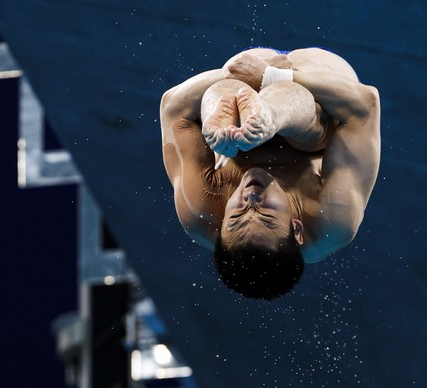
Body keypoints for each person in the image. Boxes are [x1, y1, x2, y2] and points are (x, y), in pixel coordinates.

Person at [160, 48, 380, 300]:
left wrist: (236, 74)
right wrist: (272, 76)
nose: (251, 199)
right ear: (296, 229)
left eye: (237, 215)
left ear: (219, 228)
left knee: (225, 109)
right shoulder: (332, 221)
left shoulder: (199, 210)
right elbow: (365, 105)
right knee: (313, 134)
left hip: (241, 85)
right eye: (266, 216)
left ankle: (236, 118)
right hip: (315, 89)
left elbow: (172, 106)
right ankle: (267, 118)